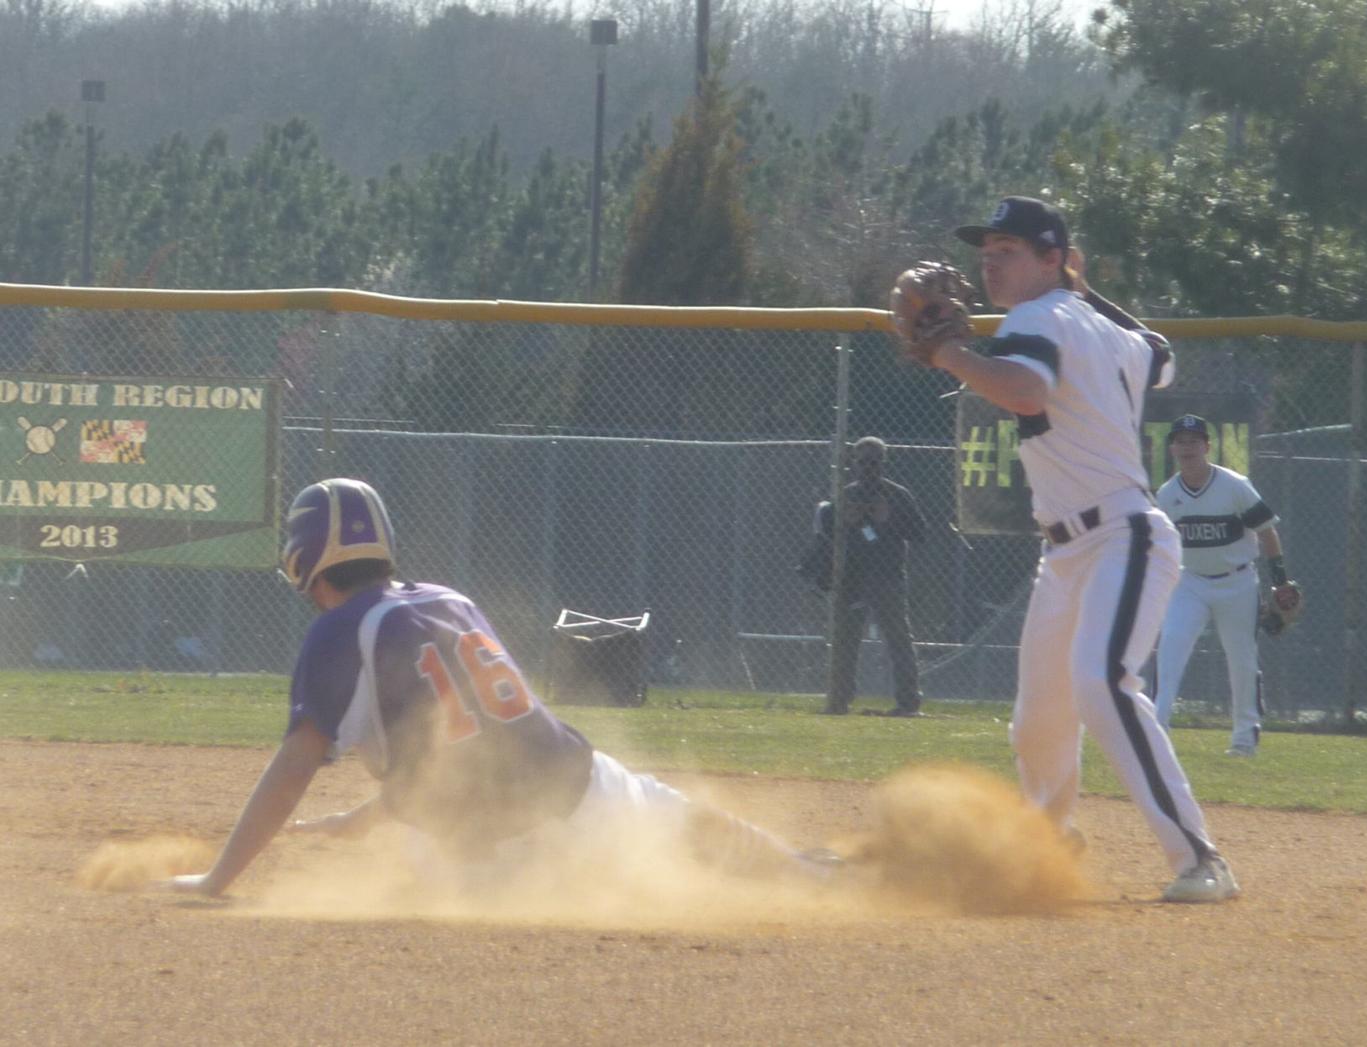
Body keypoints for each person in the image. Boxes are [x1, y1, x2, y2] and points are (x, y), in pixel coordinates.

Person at [167, 478, 835, 897]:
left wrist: (217, 877)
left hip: (499, 855)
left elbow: (295, 764)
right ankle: (820, 875)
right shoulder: (446, 597)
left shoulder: (340, 627)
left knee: (417, 876)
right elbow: (478, 739)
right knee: (696, 831)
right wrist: (368, 814)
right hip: (590, 788)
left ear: (301, 560)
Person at [897, 195, 1238, 902]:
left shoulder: (1036, 318)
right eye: (985, 252)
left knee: (1100, 680)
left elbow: (1025, 391)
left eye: (1009, 251)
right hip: (1068, 551)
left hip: (1124, 534)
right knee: (1039, 721)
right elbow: (1163, 358)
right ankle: (1045, 845)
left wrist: (948, 350)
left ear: (1052, 258)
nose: (990, 264)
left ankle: (1201, 857)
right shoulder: (1102, 328)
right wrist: (1090, 292)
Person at [1153, 414, 1291, 757]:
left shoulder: (1234, 485)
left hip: (1238, 582)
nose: (1187, 447)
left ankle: (1244, 739)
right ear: (1172, 447)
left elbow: (1267, 531)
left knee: (1241, 659)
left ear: (1207, 447)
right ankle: (1156, 733)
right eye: (1181, 441)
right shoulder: (1168, 495)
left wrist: (1279, 580)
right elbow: (1160, 547)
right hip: (1190, 582)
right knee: (1170, 648)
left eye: (1194, 440)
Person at [818, 436, 929, 717]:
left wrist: (887, 519)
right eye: (863, 462)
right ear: (854, 463)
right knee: (845, 638)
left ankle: (908, 702)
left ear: (883, 463)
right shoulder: (846, 494)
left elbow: (920, 534)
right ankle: (839, 699)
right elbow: (827, 530)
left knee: (898, 639)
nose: (869, 468)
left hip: (887, 577)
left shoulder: (897, 495)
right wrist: (847, 521)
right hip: (852, 578)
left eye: (875, 462)